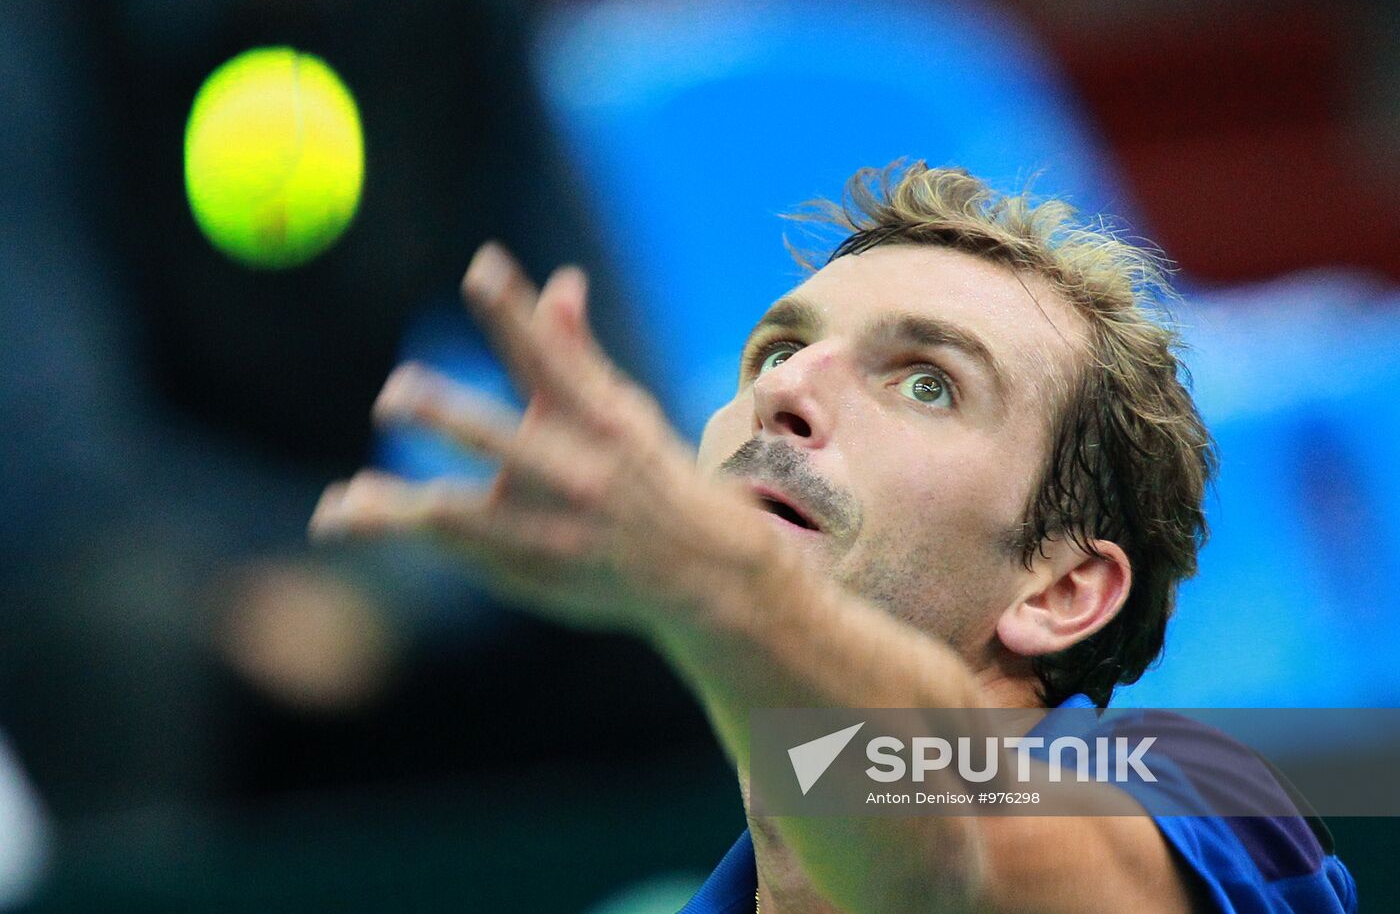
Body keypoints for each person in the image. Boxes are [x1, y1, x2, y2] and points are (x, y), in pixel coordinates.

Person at [309, 163, 1357, 912]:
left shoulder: (1202, 803)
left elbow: (945, 853)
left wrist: (717, 577)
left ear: (1061, 588)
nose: (784, 389)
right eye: (777, 347)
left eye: (926, 382)